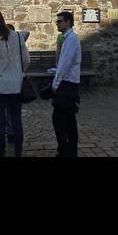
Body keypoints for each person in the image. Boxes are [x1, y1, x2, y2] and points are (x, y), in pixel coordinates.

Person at [0, 8, 29, 156]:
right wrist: (19, 72)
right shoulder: (17, 36)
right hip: (16, 86)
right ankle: (18, 152)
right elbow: (26, 60)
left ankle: (1, 152)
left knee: (0, 123)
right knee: (16, 122)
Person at [48, 10, 81, 156]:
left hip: (67, 84)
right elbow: (64, 63)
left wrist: (55, 83)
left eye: (59, 21)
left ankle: (64, 150)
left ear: (68, 22)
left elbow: (65, 63)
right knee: (68, 118)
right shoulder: (67, 38)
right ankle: (70, 150)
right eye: (57, 21)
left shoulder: (71, 38)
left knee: (59, 119)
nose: (57, 23)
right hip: (68, 82)